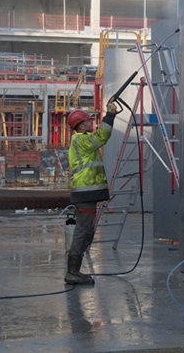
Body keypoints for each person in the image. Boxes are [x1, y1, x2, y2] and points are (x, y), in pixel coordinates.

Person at [64, 101, 119, 285]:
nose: (91, 123)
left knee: (86, 230)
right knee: (83, 231)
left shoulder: (81, 141)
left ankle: (74, 270)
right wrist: (109, 115)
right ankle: (72, 272)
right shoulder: (82, 140)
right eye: (87, 121)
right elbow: (101, 137)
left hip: (87, 193)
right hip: (85, 194)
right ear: (80, 126)